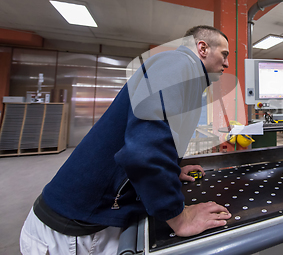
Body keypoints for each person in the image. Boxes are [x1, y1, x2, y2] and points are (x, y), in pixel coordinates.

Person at [20, 25, 232, 255]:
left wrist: (170, 170)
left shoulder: (181, 73)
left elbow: (148, 135)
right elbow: (143, 151)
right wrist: (179, 217)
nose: (227, 63)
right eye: (224, 54)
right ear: (202, 48)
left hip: (85, 220)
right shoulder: (179, 65)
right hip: (74, 232)